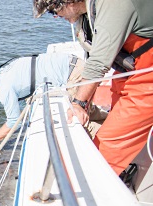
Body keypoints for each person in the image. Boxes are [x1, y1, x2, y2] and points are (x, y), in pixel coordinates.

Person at [32, 0, 153, 175]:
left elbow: (98, 63)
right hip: (129, 72)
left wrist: (78, 104)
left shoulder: (114, 4)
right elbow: (93, 57)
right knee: (113, 117)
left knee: (107, 143)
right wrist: (85, 102)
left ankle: (93, 187)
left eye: (54, 11)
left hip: (147, 77)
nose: (57, 17)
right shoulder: (89, 13)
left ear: (68, 2)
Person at [0, 53, 104, 148]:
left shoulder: (3, 87)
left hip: (73, 75)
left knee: (77, 122)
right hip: (75, 64)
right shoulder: (6, 69)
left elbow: (14, 121)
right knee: (89, 111)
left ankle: (108, 145)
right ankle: (108, 120)